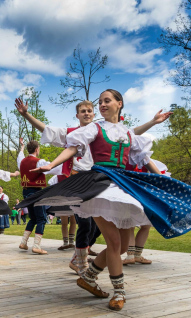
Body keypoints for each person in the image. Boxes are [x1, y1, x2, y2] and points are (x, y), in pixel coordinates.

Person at [21, 89, 183, 311]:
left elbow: (145, 159)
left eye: (107, 101)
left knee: (125, 245)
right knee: (114, 243)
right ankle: (119, 292)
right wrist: (51, 165)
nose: (102, 105)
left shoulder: (127, 133)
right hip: (99, 185)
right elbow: (72, 147)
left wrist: (163, 181)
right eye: (100, 102)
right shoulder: (93, 128)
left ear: (119, 103)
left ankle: (88, 277)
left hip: (123, 186)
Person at [17, 138, 60, 254]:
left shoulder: (21, 161)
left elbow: (20, 155)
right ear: (37, 149)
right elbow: (54, 169)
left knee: (33, 218)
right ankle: (36, 246)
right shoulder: (40, 162)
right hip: (36, 192)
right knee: (41, 219)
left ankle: (23, 242)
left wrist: (21, 146)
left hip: (25, 192)